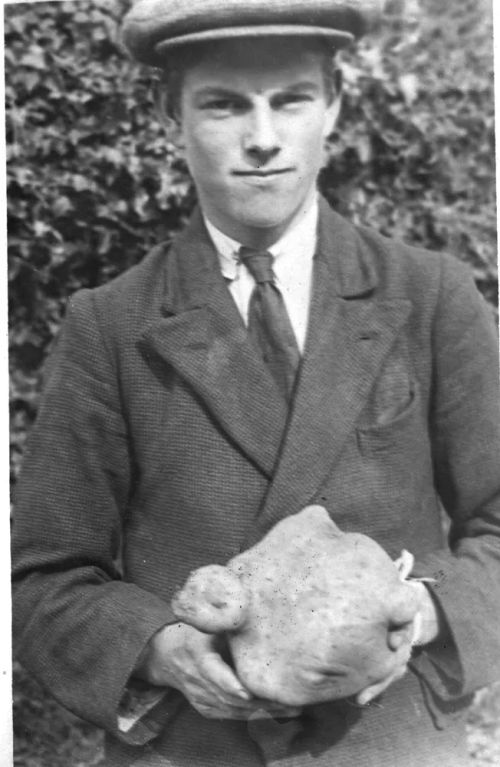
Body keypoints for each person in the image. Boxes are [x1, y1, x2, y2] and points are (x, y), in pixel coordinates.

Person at [11, 1, 500, 766]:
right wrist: (160, 650)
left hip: (383, 747)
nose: (264, 138)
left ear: (334, 103)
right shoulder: (111, 324)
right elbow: (46, 580)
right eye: (224, 104)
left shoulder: (429, 294)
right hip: (194, 748)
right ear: (167, 111)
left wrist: (422, 614)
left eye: (292, 99)